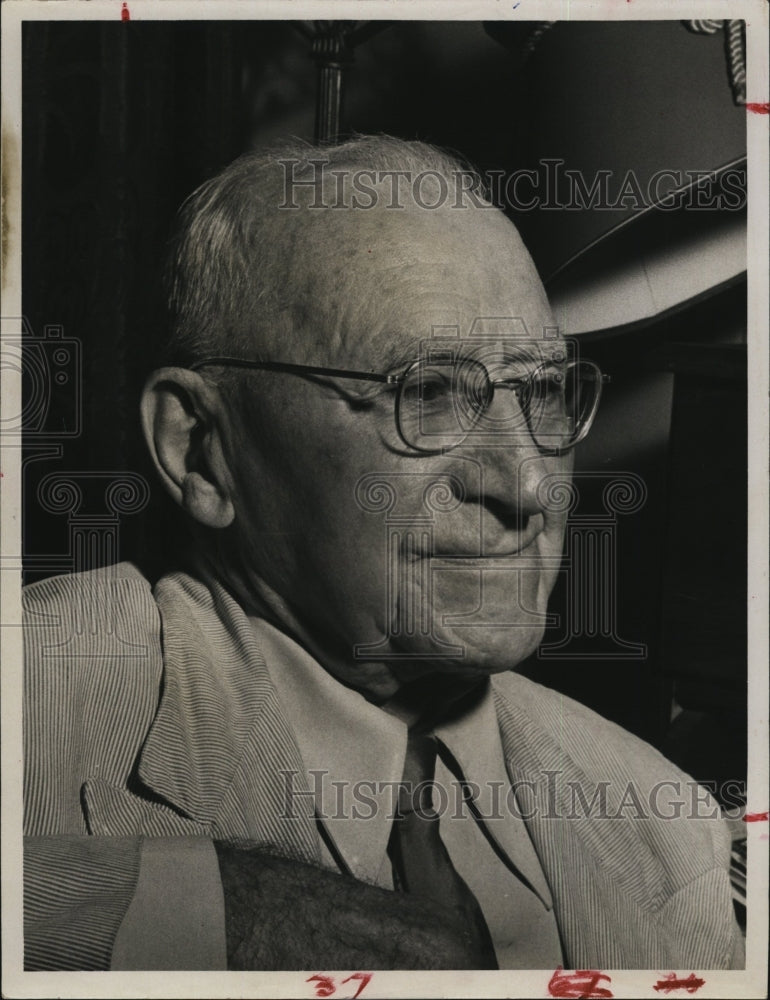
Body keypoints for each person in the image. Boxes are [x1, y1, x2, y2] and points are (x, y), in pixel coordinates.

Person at [23, 136, 743, 972]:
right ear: (200, 450)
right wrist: (218, 909)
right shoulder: (35, 691)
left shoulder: (664, 822)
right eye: (428, 393)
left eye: (544, 391)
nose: (528, 488)